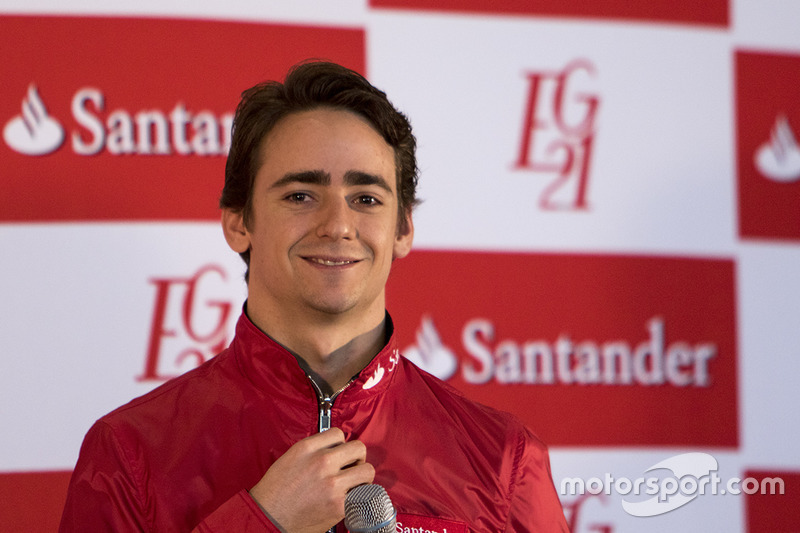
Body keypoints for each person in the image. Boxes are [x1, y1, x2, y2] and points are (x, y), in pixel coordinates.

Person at [59, 60, 569, 532]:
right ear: (239, 223)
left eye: (366, 198)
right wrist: (263, 522)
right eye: (300, 196)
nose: (338, 225)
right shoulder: (129, 453)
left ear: (403, 229)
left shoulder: (505, 461)